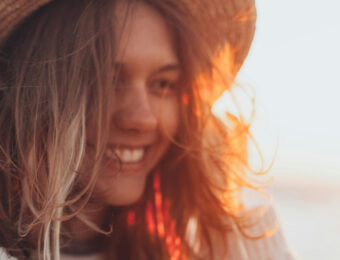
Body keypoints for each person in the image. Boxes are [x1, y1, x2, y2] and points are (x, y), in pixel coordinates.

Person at [0, 0, 295, 259]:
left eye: (162, 84)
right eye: (104, 80)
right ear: (28, 88)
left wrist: (240, 234)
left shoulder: (217, 243)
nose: (143, 119)